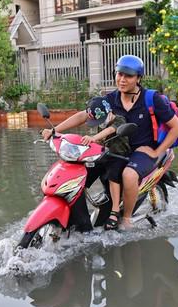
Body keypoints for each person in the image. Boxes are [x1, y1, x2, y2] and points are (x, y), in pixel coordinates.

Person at [104, 55, 178, 229]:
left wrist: (157, 151)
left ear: (138, 78)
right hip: (120, 149)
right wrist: (56, 131)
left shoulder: (152, 99)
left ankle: (126, 219)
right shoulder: (111, 99)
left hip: (144, 150)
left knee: (129, 175)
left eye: (129, 76)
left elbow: (177, 128)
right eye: (119, 74)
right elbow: (85, 115)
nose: (122, 79)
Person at [41, 96, 131, 230]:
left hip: (118, 155)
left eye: (99, 121)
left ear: (108, 112)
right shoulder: (98, 117)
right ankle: (78, 210)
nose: (99, 124)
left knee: (113, 175)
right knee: (82, 174)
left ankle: (115, 211)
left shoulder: (119, 119)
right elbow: (81, 121)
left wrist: (94, 138)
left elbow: (110, 130)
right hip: (102, 154)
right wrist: (55, 133)